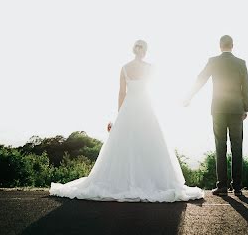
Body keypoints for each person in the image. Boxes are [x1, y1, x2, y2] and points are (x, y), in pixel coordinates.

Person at [50, 40, 204, 202]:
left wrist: (119, 116)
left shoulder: (124, 68)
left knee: (127, 144)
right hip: (146, 109)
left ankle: (124, 181)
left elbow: (121, 93)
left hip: (129, 109)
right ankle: (151, 180)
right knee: (149, 143)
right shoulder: (150, 68)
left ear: (134, 50)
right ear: (144, 51)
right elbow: (155, 90)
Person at [183, 35, 248, 196]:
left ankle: (222, 187)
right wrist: (245, 108)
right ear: (232, 45)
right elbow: (246, 87)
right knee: (237, 147)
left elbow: (201, 79)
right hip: (236, 109)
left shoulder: (213, 61)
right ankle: (238, 187)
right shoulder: (241, 63)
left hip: (218, 108)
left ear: (220, 46)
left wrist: (188, 97)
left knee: (220, 147)